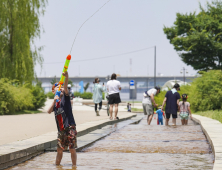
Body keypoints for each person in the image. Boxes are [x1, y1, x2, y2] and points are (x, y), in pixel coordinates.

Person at [47, 71, 77, 167]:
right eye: (58, 87)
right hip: (61, 130)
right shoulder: (55, 102)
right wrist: (54, 101)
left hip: (70, 127)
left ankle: (74, 167)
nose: (61, 88)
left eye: (62, 87)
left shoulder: (66, 98)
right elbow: (48, 111)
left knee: (72, 149)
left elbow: (66, 86)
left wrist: (66, 77)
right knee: (59, 150)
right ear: (53, 91)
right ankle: (57, 166)